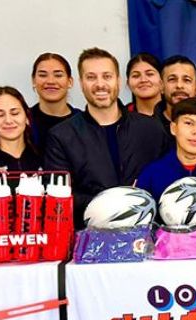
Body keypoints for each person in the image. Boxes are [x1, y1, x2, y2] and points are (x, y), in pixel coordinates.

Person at [45, 47, 170, 227]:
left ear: (118, 81)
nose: (100, 84)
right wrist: (113, 203)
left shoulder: (151, 128)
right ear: (81, 83)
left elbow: (167, 176)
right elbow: (61, 195)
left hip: (148, 234)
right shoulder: (62, 136)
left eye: (107, 76)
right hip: (91, 238)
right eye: (91, 77)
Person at [30, 53, 77, 153]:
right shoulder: (22, 121)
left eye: (58, 75)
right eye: (43, 75)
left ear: (70, 82)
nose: (50, 81)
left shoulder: (84, 122)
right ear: (33, 81)